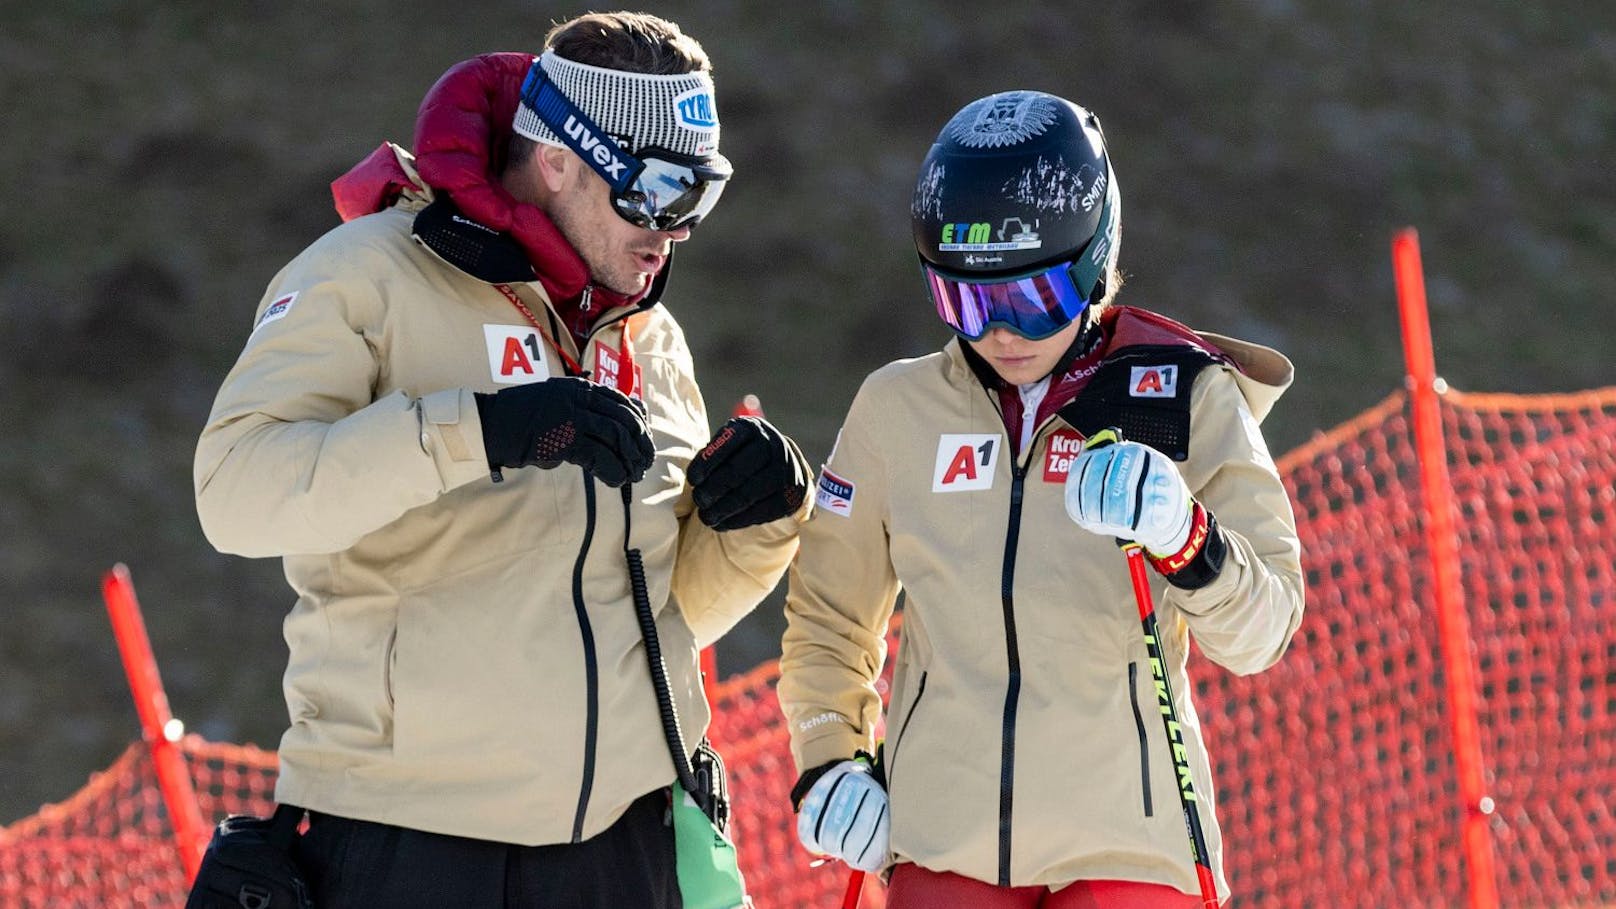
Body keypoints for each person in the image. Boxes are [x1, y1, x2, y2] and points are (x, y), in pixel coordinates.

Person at [194, 12, 810, 907]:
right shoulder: (365, 277)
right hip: (412, 840)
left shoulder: (647, 334)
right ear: (558, 157)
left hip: (621, 843)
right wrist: (476, 432)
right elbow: (234, 492)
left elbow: (661, 614)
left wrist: (757, 525)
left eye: (700, 197)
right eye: (657, 190)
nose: (675, 231)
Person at [777, 90, 1305, 908]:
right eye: (967, 301)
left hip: (1129, 845)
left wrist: (1186, 536)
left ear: (1096, 258)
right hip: (943, 840)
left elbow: (1264, 629)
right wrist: (829, 759)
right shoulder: (894, 410)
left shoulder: (1182, 396)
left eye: (1033, 299)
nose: (1002, 333)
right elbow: (829, 619)